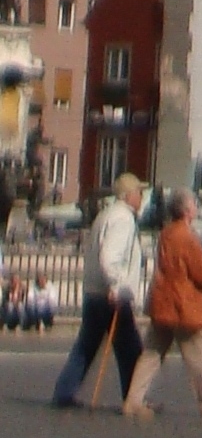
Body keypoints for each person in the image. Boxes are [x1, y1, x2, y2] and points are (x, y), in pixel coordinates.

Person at [122, 188, 202, 421]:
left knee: (151, 355)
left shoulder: (166, 233)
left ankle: (133, 401)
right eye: (193, 205)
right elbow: (200, 274)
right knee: (199, 358)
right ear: (186, 210)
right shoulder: (188, 237)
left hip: (163, 302)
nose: (196, 208)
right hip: (185, 306)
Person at [52, 173, 146, 409]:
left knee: (86, 345)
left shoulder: (106, 215)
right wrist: (116, 285)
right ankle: (134, 399)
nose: (142, 197)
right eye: (139, 192)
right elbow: (110, 258)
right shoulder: (123, 219)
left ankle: (64, 392)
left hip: (94, 290)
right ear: (128, 195)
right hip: (110, 293)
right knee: (130, 349)